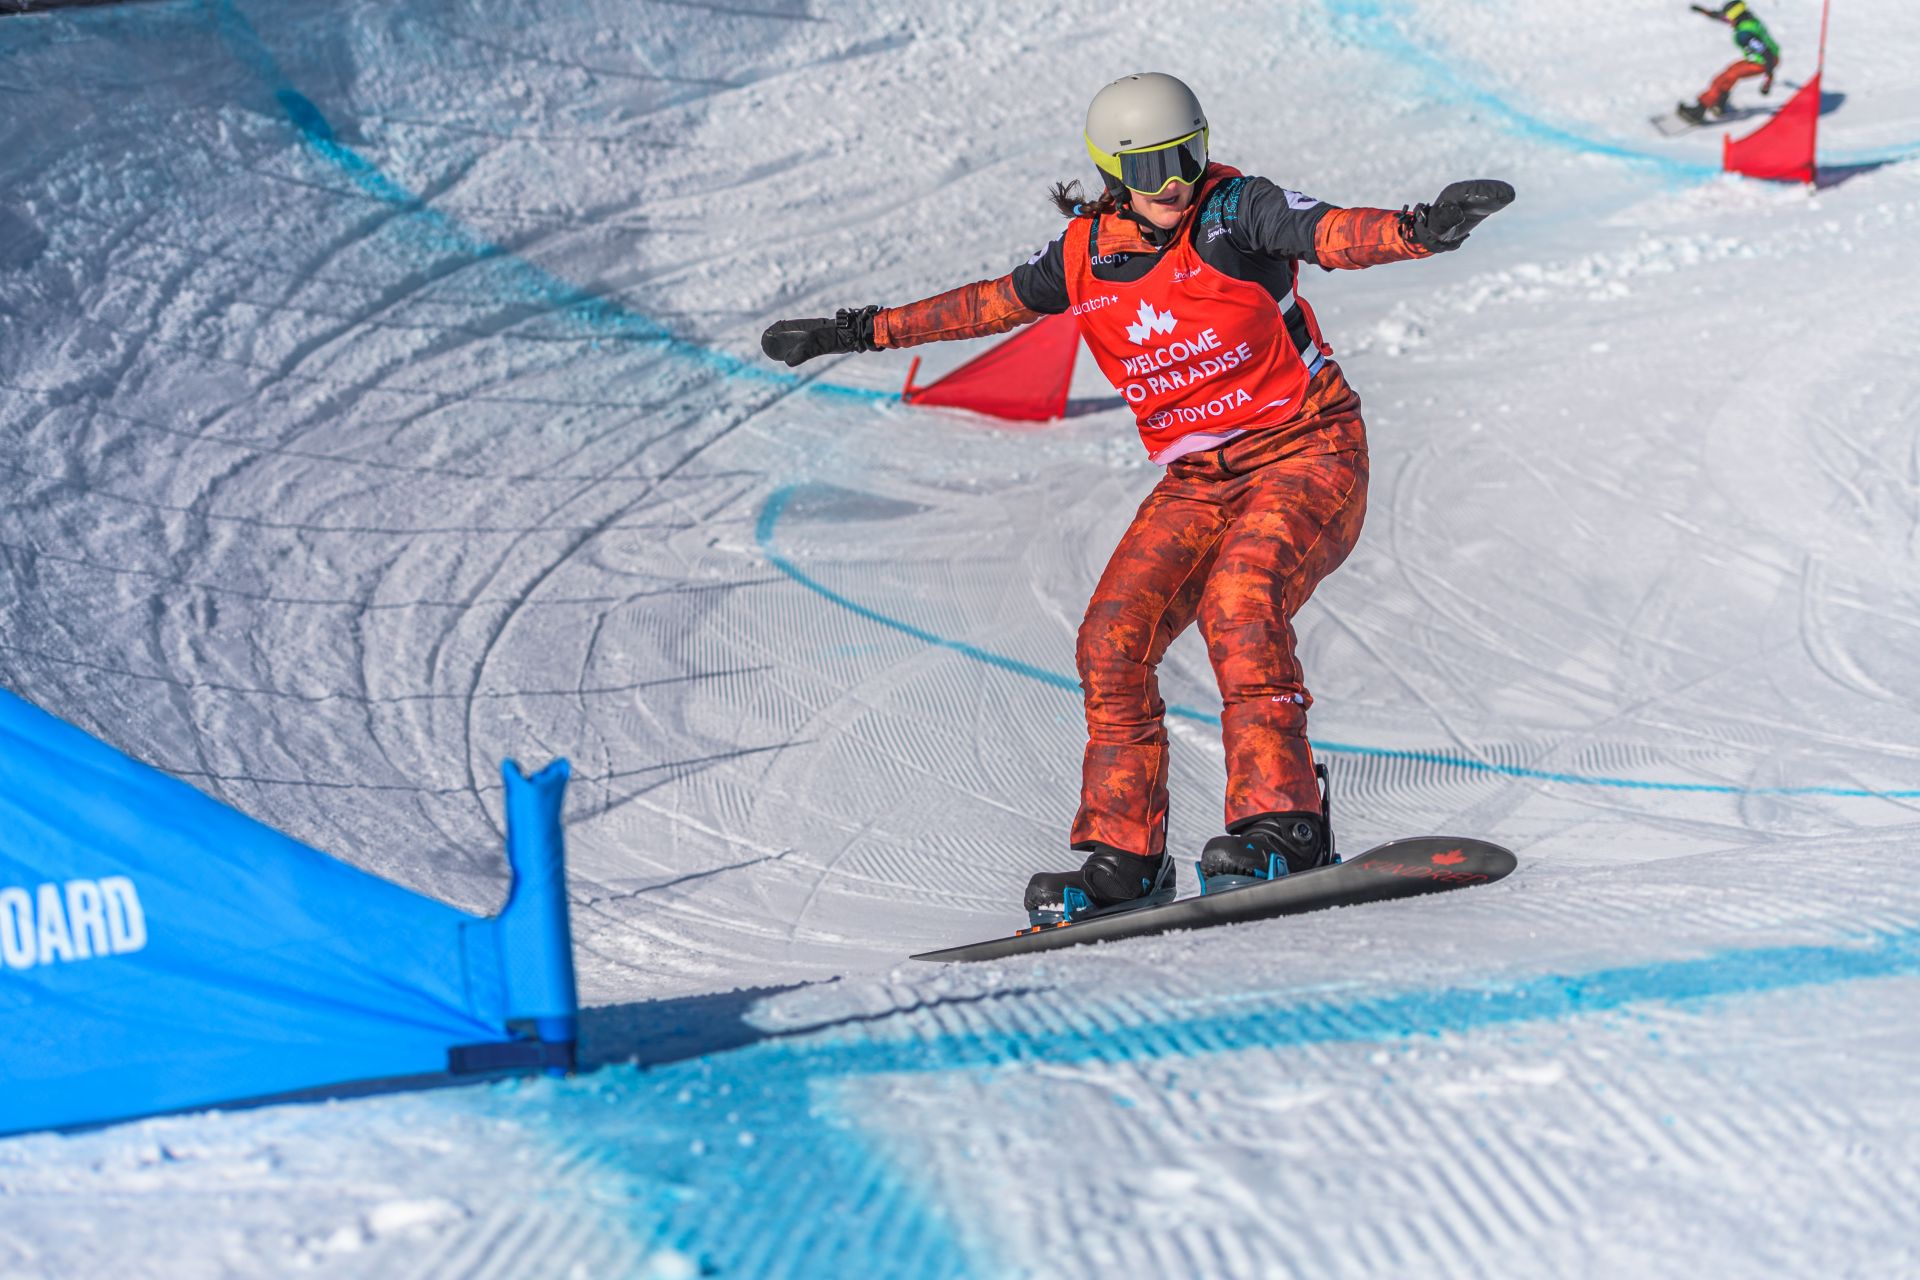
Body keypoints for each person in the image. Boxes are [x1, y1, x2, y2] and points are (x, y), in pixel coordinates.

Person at [761, 72, 1513, 927]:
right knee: (1112, 640)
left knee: (1241, 601)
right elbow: (987, 305)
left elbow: (1329, 232)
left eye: (1188, 156)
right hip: (1198, 481)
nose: (1175, 183)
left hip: (1309, 452)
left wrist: (1420, 230)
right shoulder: (1085, 255)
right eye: (1152, 168)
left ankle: (1287, 824)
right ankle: (1127, 858)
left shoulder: (1236, 213)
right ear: (1114, 172)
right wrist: (856, 329)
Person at [1678, 1, 1781, 124]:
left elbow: (1767, 55)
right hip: (1759, 59)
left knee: (1724, 78)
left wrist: (1767, 82)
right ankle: (1719, 103)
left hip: (1763, 63)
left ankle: (1699, 110)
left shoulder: (1746, 34)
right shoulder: (1745, 20)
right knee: (1729, 72)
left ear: (1736, 17)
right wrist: (1702, 10)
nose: (1728, 21)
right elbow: (1719, 16)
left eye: (1729, 18)